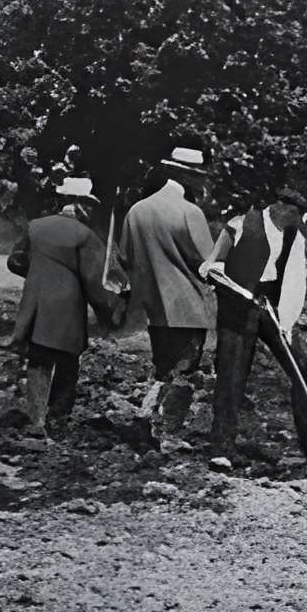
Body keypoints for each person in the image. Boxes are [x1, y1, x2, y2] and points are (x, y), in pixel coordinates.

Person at [201, 189, 307, 469]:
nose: (298, 220)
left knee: (304, 364)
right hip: (237, 305)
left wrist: (287, 323)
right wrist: (217, 274)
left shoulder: (294, 233)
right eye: (296, 213)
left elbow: (296, 280)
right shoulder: (240, 224)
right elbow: (212, 264)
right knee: (232, 372)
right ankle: (221, 448)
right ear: (281, 207)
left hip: (273, 303)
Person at [109, 145, 219, 440]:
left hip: (154, 307)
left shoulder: (137, 211)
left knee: (162, 369)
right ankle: (169, 432)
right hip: (188, 307)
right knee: (184, 374)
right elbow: (208, 264)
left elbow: (125, 257)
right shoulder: (189, 212)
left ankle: (148, 419)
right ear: (188, 176)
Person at [1, 174, 122, 436]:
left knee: (38, 361)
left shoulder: (36, 226)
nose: (90, 210)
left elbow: (14, 261)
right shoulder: (86, 235)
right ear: (78, 204)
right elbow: (95, 283)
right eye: (88, 204)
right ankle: (57, 419)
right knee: (67, 364)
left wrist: (38, 275)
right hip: (67, 308)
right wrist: (108, 312)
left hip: (34, 304)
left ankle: (36, 418)